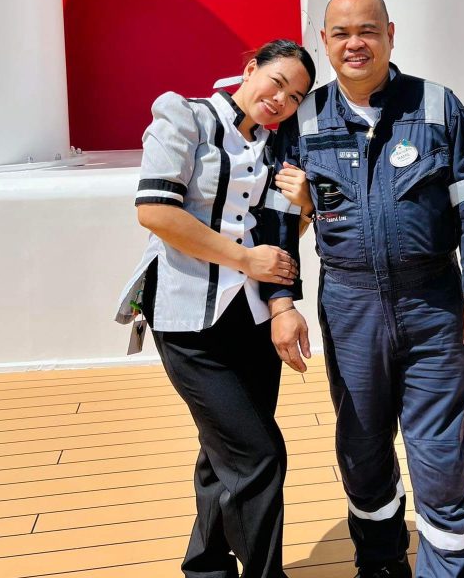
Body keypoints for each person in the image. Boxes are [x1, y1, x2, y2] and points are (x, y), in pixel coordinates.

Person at [262, 0, 464, 578]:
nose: (355, 44)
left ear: (390, 34)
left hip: (434, 302)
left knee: (440, 451)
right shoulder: (305, 118)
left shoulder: (437, 106)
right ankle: (380, 563)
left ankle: (450, 571)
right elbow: (273, 220)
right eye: (341, 34)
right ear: (324, 42)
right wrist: (281, 302)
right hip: (350, 305)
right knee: (362, 447)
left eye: (367, 31)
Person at [115, 40, 316, 578]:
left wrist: (305, 211)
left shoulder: (278, 149)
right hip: (187, 320)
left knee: (222, 454)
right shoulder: (185, 116)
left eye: (295, 97)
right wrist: (244, 258)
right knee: (258, 457)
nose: (281, 101)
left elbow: (277, 242)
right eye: (276, 83)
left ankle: (206, 568)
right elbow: (155, 210)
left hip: (250, 322)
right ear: (250, 69)